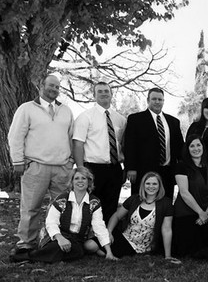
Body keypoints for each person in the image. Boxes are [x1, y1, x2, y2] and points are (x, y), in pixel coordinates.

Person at [9, 73, 74, 261]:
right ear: (41, 86)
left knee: (61, 207)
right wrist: (18, 161)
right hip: (36, 165)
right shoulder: (27, 109)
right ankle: (25, 244)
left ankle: (56, 241)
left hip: (62, 167)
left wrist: (70, 161)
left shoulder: (66, 111)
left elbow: (71, 137)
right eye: (51, 86)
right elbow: (15, 137)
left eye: (57, 87)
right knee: (31, 207)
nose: (54, 89)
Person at [23, 167, 116, 263]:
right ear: (71, 182)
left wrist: (109, 252)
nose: (80, 181)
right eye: (76, 178)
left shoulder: (94, 202)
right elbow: (51, 222)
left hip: (77, 241)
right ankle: (28, 256)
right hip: (57, 236)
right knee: (57, 246)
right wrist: (60, 238)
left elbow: (99, 226)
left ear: (89, 182)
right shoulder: (62, 199)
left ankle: (38, 256)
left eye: (83, 178)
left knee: (77, 252)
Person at [73, 81, 127, 225]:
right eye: (100, 91)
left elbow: (122, 144)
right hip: (93, 169)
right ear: (94, 95)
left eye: (106, 91)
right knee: (92, 205)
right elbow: (78, 144)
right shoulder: (85, 117)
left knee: (111, 205)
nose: (104, 94)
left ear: (111, 94)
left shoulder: (120, 119)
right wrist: (80, 168)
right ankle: (88, 237)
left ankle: (107, 237)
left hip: (114, 168)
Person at [124, 87, 184, 199]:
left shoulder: (173, 122)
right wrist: (131, 167)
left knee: (165, 203)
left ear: (163, 101)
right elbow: (129, 145)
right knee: (141, 201)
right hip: (143, 171)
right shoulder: (135, 119)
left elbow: (180, 147)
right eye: (154, 99)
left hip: (167, 171)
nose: (157, 102)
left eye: (160, 99)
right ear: (148, 100)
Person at [107, 172, 177, 261]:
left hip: (140, 246)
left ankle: (108, 251)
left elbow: (167, 229)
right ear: (143, 185)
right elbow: (116, 215)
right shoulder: (134, 199)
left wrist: (168, 256)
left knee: (99, 249)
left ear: (160, 186)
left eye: (154, 184)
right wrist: (109, 232)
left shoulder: (166, 203)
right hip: (124, 237)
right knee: (90, 245)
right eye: (148, 183)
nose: (151, 186)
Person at [171, 135, 208, 257]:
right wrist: (200, 212)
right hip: (186, 212)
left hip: (205, 213)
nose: (196, 148)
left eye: (198, 145)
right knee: (189, 251)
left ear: (203, 147)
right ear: (187, 149)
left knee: (205, 246)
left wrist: (206, 213)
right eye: (192, 146)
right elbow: (184, 192)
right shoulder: (181, 166)